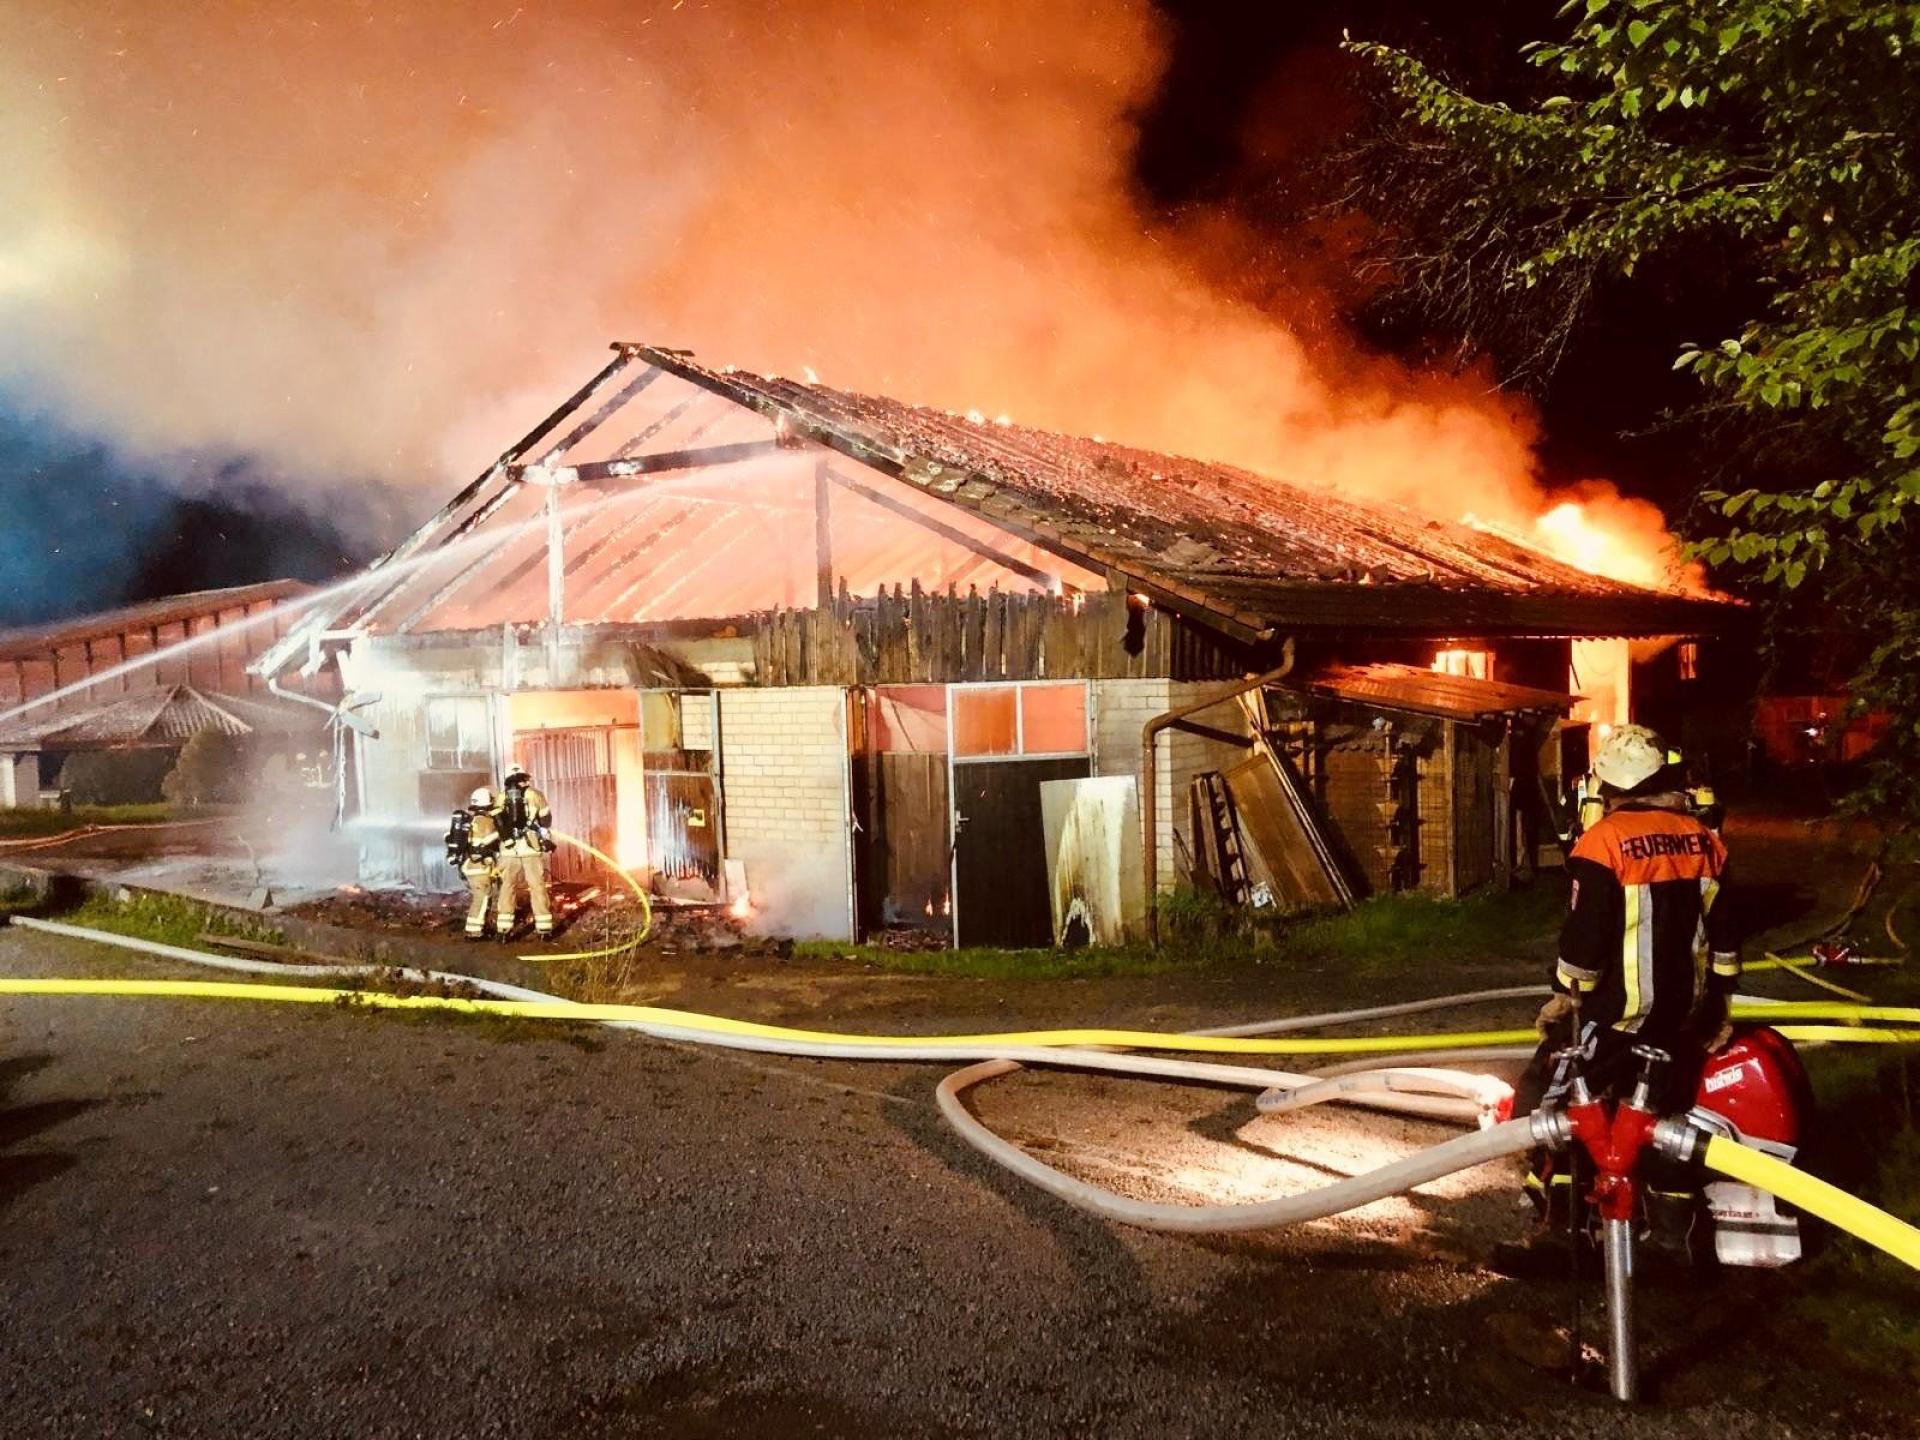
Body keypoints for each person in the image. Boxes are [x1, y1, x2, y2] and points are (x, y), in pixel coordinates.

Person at [1494, 723, 1741, 1274]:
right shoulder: (1705, 841)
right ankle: (1671, 1245)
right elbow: (1725, 935)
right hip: (1678, 1019)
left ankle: (1563, 1235)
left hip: (1612, 1015)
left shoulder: (1604, 842)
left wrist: (1564, 998)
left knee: (1557, 1111)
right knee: (1664, 1122)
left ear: (1610, 786)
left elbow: (1585, 941)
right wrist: (1720, 1003)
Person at [494, 761, 556, 941]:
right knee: (537, 887)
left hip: (508, 850)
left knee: (507, 888)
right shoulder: (536, 795)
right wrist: (545, 837)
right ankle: (544, 929)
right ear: (524, 777)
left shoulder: (501, 797)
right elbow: (546, 820)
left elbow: (496, 823)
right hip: (531, 847)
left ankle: (504, 931)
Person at [445, 787, 504, 942]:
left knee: (483, 896)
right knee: (482, 897)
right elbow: (490, 842)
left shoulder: (471, 821)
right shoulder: (486, 822)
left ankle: (478, 928)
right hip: (478, 867)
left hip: (470, 866)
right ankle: (474, 932)